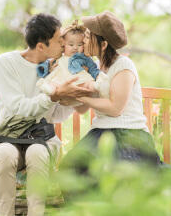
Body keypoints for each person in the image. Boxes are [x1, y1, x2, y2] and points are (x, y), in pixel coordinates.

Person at [0, 13, 93, 216]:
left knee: (37, 153)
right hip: (9, 136)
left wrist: (75, 96)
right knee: (4, 154)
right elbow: (15, 108)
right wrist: (54, 96)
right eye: (58, 40)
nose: (64, 44)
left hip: (43, 138)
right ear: (41, 46)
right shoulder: (7, 62)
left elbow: (57, 115)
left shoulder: (57, 66)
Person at [61, 11, 162, 173]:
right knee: (70, 167)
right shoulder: (94, 66)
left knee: (114, 170)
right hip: (101, 131)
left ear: (103, 44)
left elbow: (115, 109)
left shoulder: (123, 65)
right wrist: (69, 93)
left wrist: (82, 97)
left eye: (87, 37)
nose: (83, 41)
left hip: (129, 133)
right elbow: (82, 108)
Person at [36, 20, 109, 106]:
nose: (75, 48)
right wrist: (47, 69)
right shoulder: (59, 57)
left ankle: (99, 87)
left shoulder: (83, 58)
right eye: (71, 45)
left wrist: (98, 75)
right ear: (64, 44)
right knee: (53, 84)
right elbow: (45, 64)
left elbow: (93, 68)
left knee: (88, 84)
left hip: (79, 84)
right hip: (64, 88)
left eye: (79, 45)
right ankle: (50, 89)